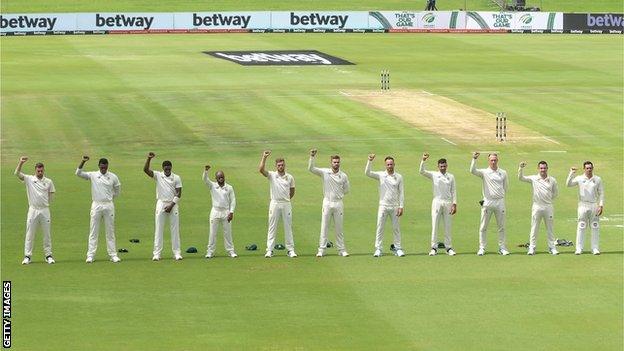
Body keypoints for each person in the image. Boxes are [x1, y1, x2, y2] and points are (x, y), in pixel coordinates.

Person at [76, 156, 121, 263]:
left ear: (107, 166)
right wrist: (83, 161)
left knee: (110, 231)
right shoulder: (93, 175)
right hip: (96, 205)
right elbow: (78, 173)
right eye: (101, 167)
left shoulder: (113, 176)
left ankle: (113, 255)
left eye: (105, 167)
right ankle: (90, 255)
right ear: (99, 166)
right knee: (93, 231)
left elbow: (118, 189)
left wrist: (110, 198)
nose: (103, 169)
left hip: (108, 205)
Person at [308, 149, 350, 257]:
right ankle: (321, 250)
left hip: (338, 203)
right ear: (331, 163)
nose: (336, 164)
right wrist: (312, 157)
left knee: (339, 227)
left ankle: (341, 250)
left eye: (337, 162)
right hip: (327, 203)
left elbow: (346, 190)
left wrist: (338, 194)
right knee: (324, 226)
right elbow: (311, 168)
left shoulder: (343, 176)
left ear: (339, 163)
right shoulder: (325, 172)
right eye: (334, 162)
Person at [14, 156, 56, 265]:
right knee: (30, 233)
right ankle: (27, 256)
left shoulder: (48, 181)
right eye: (38, 171)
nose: (40, 172)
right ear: (35, 170)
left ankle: (48, 255)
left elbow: (51, 194)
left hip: (45, 210)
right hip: (33, 210)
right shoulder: (29, 179)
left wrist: (46, 204)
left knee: (47, 234)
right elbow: (17, 173)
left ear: (44, 170)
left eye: (41, 171)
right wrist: (21, 162)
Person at [144, 152, 183, 261]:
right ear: (163, 168)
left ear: (171, 168)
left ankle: (177, 253)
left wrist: (171, 205)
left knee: (175, 229)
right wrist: (149, 159)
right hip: (161, 203)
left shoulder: (176, 177)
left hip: (173, 204)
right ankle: (157, 254)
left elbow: (179, 193)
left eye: (169, 169)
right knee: (159, 228)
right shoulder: (158, 175)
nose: (167, 171)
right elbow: (146, 170)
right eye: (166, 169)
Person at [259, 150, 297, 258]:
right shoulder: (272, 175)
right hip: (274, 203)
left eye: (282, 165)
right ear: (276, 166)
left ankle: (290, 250)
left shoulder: (290, 177)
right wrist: (264, 157)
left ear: (284, 165)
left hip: (286, 204)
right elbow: (261, 170)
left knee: (288, 226)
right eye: (279, 165)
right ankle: (269, 250)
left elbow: (292, 191)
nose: (281, 166)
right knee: (272, 226)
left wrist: (286, 199)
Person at [470, 152, 510, 256]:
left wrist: (499, 196)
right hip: (488, 202)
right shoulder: (484, 172)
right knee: (483, 226)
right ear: (489, 161)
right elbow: (473, 171)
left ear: (498, 160)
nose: (493, 162)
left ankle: (502, 248)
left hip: (500, 202)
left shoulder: (503, 172)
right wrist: (474, 159)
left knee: (501, 226)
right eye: (491, 160)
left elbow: (506, 187)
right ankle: (482, 248)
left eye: (495, 160)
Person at [365, 154, 405, 257]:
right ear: (385, 165)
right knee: (380, 227)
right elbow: (368, 173)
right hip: (383, 206)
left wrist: (401, 206)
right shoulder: (381, 175)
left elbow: (401, 192)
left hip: (395, 206)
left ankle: (398, 248)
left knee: (396, 228)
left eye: (391, 164)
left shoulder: (399, 177)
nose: (390, 166)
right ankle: (378, 249)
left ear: (394, 164)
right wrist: (370, 161)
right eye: (388, 164)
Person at [419, 153, 457, 256]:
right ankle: (433, 248)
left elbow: (453, 190)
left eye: (444, 166)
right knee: (435, 225)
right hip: (437, 202)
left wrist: (454, 204)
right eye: (441, 166)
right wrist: (423, 160)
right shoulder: (434, 175)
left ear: (447, 166)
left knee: (448, 226)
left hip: (448, 202)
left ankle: (448, 247)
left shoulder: (451, 176)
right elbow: (422, 171)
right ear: (438, 167)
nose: (443, 168)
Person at [518, 161, 559, 255]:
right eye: (541, 168)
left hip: (548, 206)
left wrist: (547, 200)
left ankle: (552, 248)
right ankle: (532, 248)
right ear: (538, 169)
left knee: (550, 228)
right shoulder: (534, 178)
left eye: (544, 168)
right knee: (534, 228)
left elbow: (555, 193)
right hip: (537, 206)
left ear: (547, 168)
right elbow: (521, 178)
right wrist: (521, 168)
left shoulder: (552, 180)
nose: (543, 170)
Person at [566, 161, 604, 255]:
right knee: (581, 225)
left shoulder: (597, 179)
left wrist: (601, 205)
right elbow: (568, 184)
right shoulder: (579, 178)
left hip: (594, 205)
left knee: (595, 226)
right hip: (583, 205)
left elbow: (601, 193)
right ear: (584, 169)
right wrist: (571, 173)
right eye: (587, 168)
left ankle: (595, 248)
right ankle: (579, 248)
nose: (589, 170)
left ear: (592, 168)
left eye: (590, 168)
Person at [203, 164, 237, 259]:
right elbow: (205, 180)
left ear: (224, 177)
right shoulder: (212, 186)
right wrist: (206, 171)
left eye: (222, 177)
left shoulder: (229, 187)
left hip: (226, 212)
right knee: (212, 233)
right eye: (219, 177)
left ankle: (231, 251)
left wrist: (231, 212)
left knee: (227, 233)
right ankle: (210, 252)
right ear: (216, 178)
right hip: (215, 211)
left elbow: (233, 200)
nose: (220, 178)